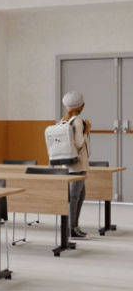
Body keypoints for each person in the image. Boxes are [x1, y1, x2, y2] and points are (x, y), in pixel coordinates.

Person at [61, 91, 91, 239]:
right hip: (78, 166)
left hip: (67, 165)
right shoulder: (78, 121)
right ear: (81, 106)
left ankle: (73, 226)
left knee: (78, 196)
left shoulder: (63, 120)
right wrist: (87, 131)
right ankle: (71, 228)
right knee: (75, 197)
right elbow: (78, 144)